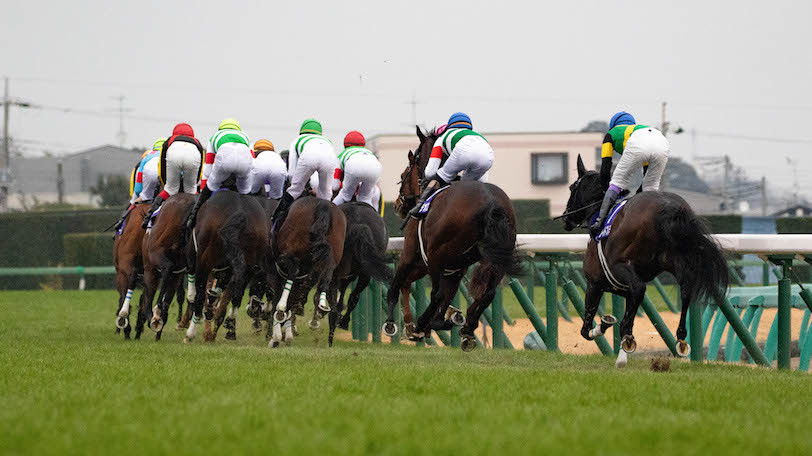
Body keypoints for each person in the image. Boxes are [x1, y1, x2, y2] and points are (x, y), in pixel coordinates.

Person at [589, 111, 670, 235]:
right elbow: (646, 174)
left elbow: (605, 168)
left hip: (639, 143)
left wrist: (608, 191)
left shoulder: (611, 134)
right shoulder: (638, 129)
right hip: (662, 141)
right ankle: (657, 221)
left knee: (617, 182)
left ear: (613, 125)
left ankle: (599, 223)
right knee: (651, 188)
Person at [408, 112, 493, 219]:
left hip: (462, 152)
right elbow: (483, 180)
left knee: (438, 177)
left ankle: (419, 206)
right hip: (489, 155)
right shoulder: (477, 136)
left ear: (450, 126)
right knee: (468, 185)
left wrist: (445, 177)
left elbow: (429, 173)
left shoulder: (441, 138)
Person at [185, 118, 252, 230]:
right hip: (244, 164)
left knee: (211, 186)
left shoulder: (215, 136)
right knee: (245, 193)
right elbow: (252, 163)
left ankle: (192, 218)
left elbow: (208, 167)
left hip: (224, 163)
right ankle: (250, 220)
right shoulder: (246, 137)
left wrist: (211, 182)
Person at [271, 118, 338, 225]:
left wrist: (297, 186)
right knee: (326, 195)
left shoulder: (297, 140)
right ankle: (330, 223)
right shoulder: (328, 141)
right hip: (329, 160)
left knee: (295, 189)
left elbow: (292, 173)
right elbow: (334, 181)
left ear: (302, 131)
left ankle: (275, 222)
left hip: (308, 158)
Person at [141, 123, 203, 228]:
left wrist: (167, 183)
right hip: (194, 155)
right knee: (191, 191)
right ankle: (198, 217)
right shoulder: (197, 142)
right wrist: (194, 183)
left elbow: (162, 165)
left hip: (173, 153)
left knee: (170, 190)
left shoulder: (170, 140)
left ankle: (148, 218)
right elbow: (200, 166)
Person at [112, 138, 165, 232]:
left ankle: (121, 226)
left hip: (146, 183)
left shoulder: (147, 157)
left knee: (133, 203)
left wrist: (137, 197)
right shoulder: (168, 156)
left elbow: (137, 183)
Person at [332, 131, 382, 209]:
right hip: (376, 168)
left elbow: (335, 185)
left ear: (346, 145)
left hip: (353, 167)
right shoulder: (369, 152)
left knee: (345, 195)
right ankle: (377, 220)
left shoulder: (343, 153)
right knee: (365, 198)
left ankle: (330, 212)